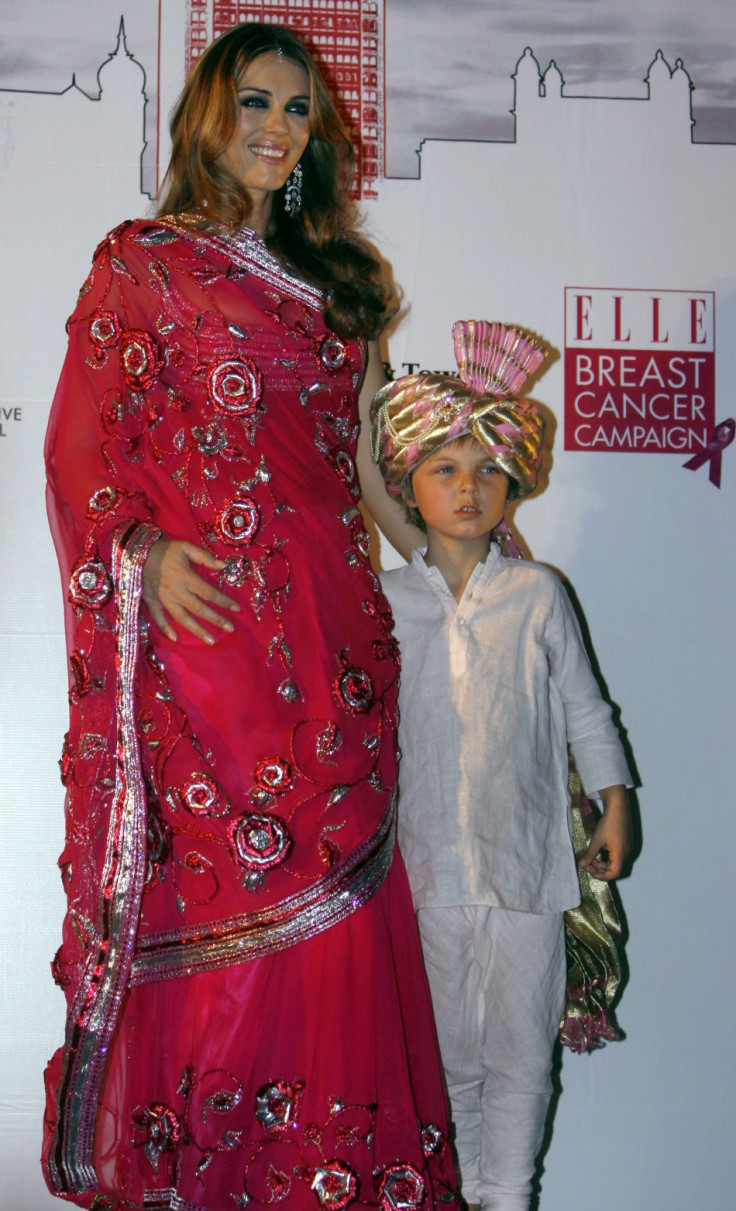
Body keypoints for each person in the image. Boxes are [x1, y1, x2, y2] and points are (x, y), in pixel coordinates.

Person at [43, 23, 457, 1210]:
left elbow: (365, 464)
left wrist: (447, 540)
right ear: (208, 118)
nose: (279, 130)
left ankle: (320, 1175)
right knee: (226, 903)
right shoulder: (144, 262)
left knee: (338, 920)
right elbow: (79, 449)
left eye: (298, 112)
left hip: (339, 648)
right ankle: (219, 1177)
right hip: (207, 643)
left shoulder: (346, 286)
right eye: (256, 104)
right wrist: (141, 549)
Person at [371, 320, 633, 1211]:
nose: (469, 487)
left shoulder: (538, 593)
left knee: (522, 1050)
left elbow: (586, 709)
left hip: (530, 869)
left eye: (487, 469)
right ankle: (451, 1193)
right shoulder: (385, 602)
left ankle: (508, 1194)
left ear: (513, 481)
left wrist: (614, 801)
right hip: (425, 868)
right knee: (443, 1054)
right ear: (407, 481)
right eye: (445, 468)